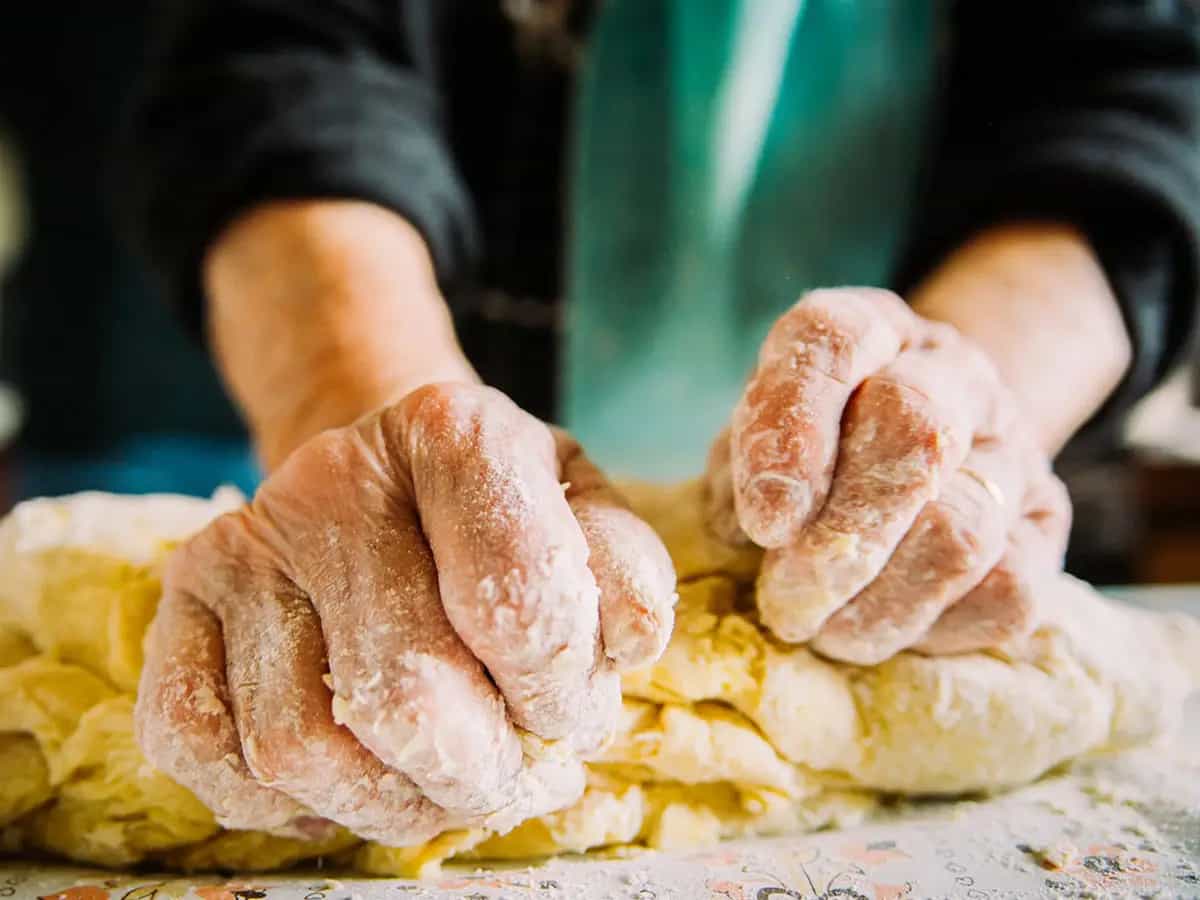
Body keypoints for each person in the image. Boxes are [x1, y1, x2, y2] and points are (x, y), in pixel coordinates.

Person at [122, 2, 1199, 846]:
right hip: (406, 351)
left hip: (984, 510)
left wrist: (942, 429)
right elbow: (279, 59)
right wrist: (363, 417)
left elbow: (1140, 89)